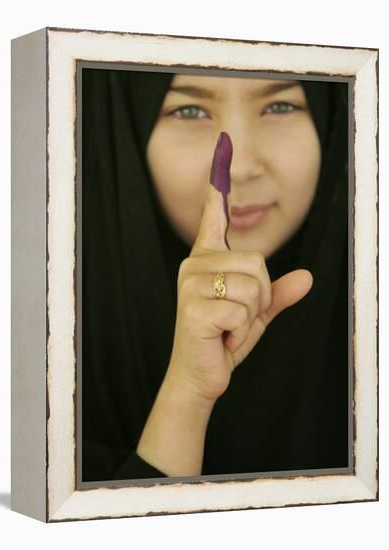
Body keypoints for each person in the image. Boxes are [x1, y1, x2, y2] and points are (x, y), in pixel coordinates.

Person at [82, 68, 349, 482]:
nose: (241, 168)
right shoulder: (59, 346)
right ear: (131, 126)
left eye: (281, 105)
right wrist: (188, 392)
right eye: (189, 109)